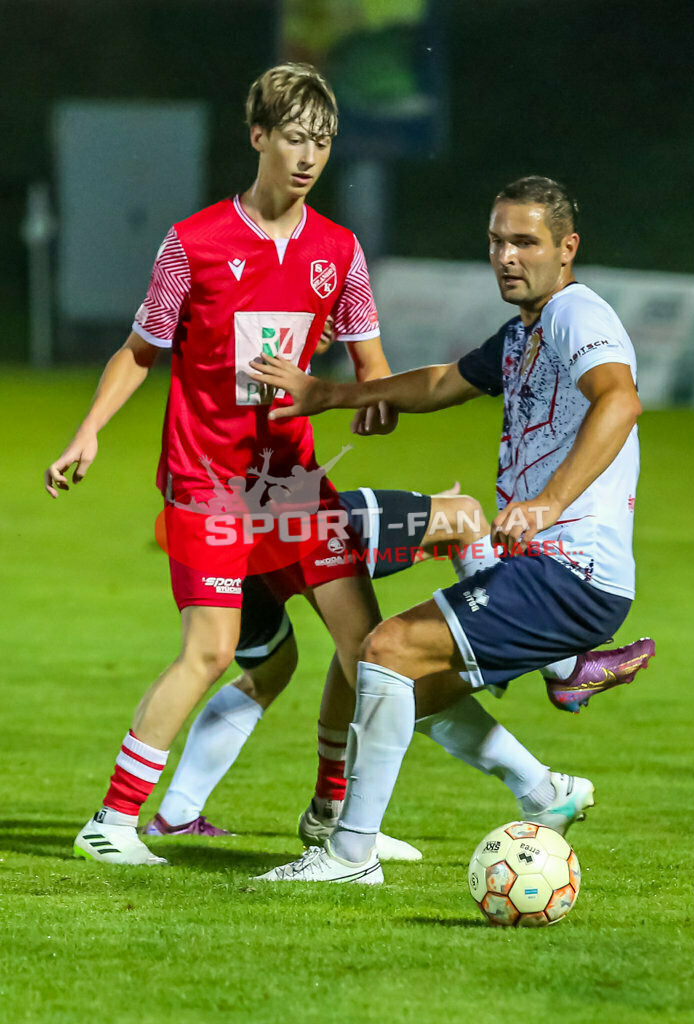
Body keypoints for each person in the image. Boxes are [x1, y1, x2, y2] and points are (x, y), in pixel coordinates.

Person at [44, 62, 410, 866]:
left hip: (292, 482)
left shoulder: (339, 253)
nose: (308, 157)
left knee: (370, 646)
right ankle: (111, 822)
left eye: (320, 142)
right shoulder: (193, 244)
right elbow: (140, 353)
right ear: (258, 138)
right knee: (209, 650)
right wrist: (89, 431)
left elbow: (372, 368)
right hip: (208, 483)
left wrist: (372, 404)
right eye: (293, 139)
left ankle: (335, 816)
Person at [250, 175, 647, 883]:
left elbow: (619, 402)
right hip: (549, 565)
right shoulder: (527, 330)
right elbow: (443, 382)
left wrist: (551, 502)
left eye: (525, 241)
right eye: (497, 240)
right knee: (412, 692)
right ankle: (544, 788)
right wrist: (335, 394)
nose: (506, 256)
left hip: (569, 569)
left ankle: (348, 856)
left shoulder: (575, 316)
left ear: (567, 248)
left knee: (386, 649)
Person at [144, 483, 654, 840]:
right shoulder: (323, 323)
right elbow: (382, 383)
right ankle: (559, 677)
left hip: (228, 536)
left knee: (287, 667)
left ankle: (178, 815)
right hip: (297, 517)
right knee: (462, 520)